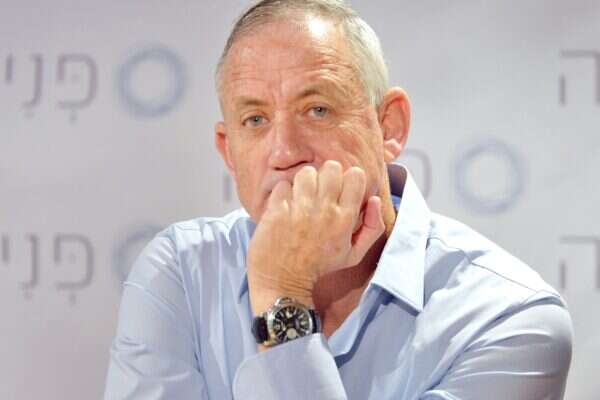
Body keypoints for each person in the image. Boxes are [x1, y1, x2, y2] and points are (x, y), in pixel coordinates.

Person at [103, 1, 573, 399]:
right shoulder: (180, 273)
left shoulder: (510, 317)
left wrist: (281, 294)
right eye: (255, 120)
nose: (284, 152)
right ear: (229, 151)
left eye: (318, 110)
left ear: (388, 127)